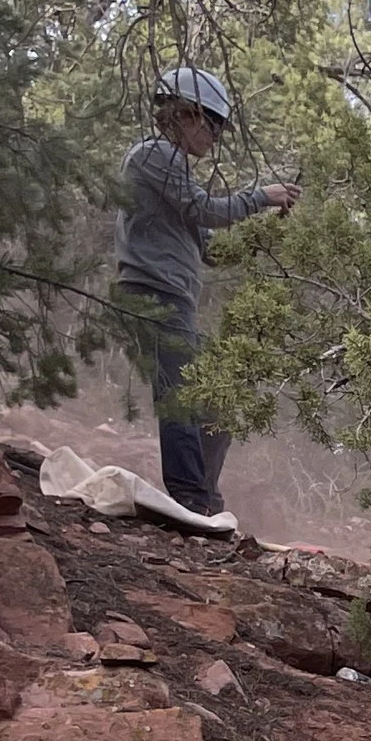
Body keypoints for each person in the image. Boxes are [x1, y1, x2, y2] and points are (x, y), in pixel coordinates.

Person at [113, 67, 300, 524]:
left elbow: (211, 250)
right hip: (150, 294)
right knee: (181, 395)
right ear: (185, 113)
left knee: (216, 403)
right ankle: (191, 501)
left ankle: (203, 500)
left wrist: (264, 241)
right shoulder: (154, 155)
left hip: (169, 297)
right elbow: (206, 210)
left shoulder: (172, 169)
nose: (214, 138)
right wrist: (262, 197)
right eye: (213, 125)